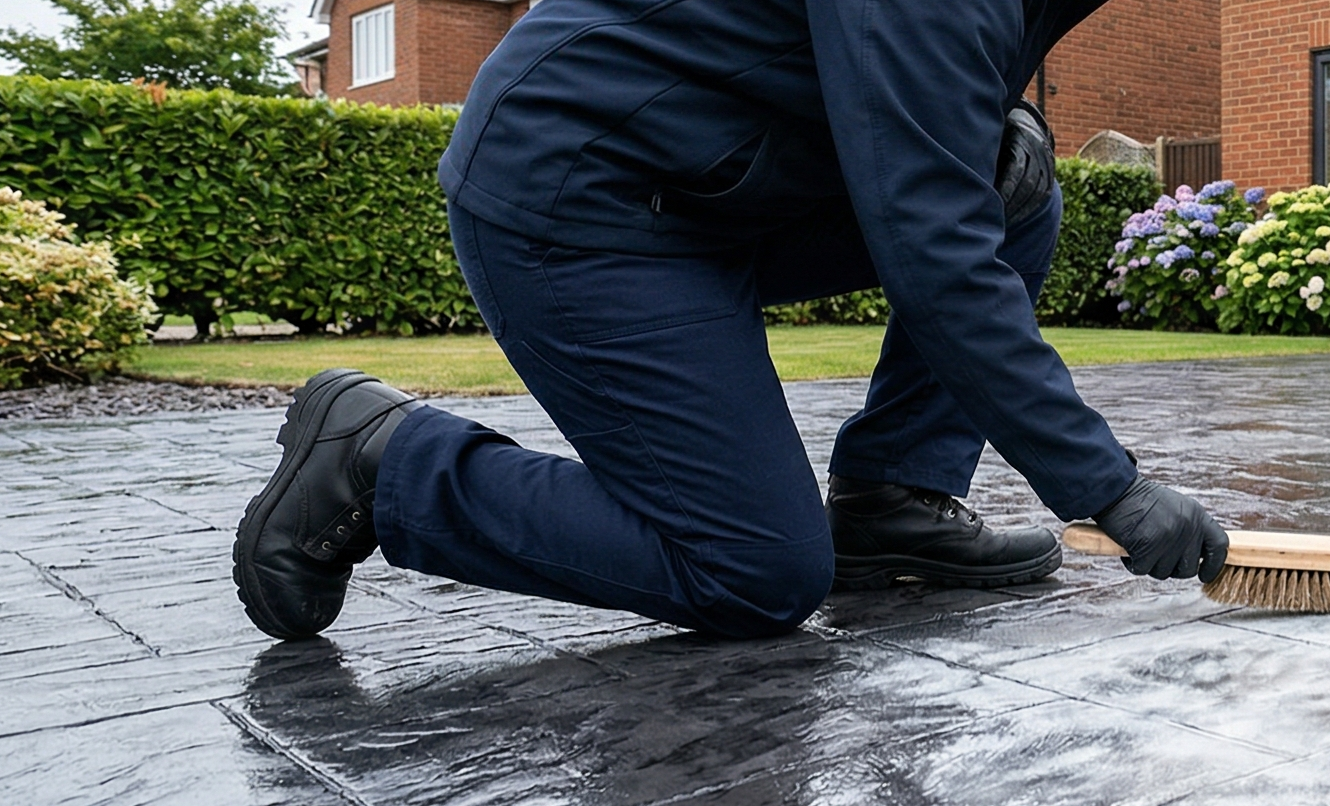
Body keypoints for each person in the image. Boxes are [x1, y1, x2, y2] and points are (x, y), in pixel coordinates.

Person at [229, 0, 1228, 641]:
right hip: (577, 196)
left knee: (1018, 186)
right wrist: (1109, 487)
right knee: (752, 570)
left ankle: (894, 503)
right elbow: (933, 251)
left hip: (701, 184)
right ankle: (381, 458)